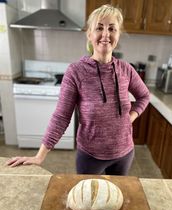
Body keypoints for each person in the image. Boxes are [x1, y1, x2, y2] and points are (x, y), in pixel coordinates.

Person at [7, 4, 150, 175]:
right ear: (89, 34)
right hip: (90, 157)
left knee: (116, 197)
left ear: (118, 35)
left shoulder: (126, 69)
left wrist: (130, 117)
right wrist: (40, 156)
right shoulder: (76, 71)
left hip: (124, 154)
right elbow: (61, 117)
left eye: (112, 28)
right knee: (86, 200)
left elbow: (144, 96)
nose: (106, 34)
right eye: (99, 28)